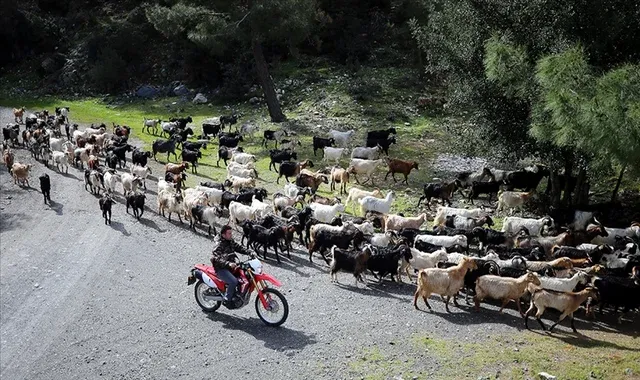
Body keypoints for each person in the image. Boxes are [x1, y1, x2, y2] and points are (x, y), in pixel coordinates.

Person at [210, 225, 253, 304]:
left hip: (231, 266)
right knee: (233, 281)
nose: (231, 235)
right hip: (221, 268)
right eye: (229, 233)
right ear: (223, 235)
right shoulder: (219, 245)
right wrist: (228, 263)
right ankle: (227, 299)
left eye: (231, 233)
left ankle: (238, 294)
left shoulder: (230, 241)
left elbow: (238, 247)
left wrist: (249, 252)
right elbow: (215, 258)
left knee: (245, 276)